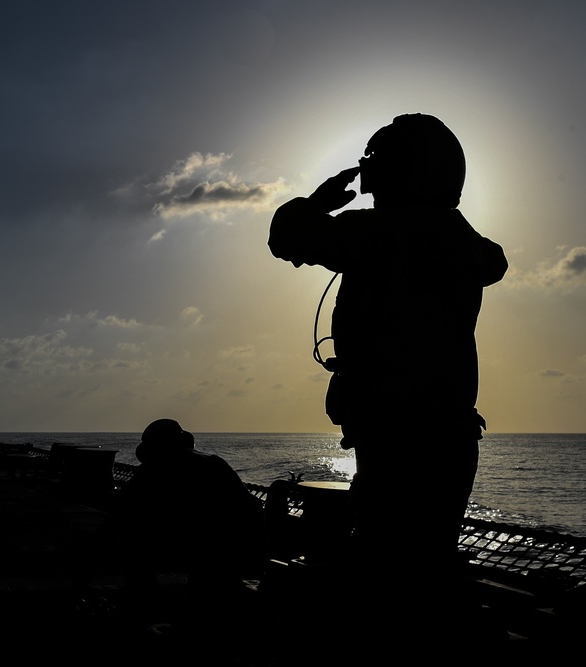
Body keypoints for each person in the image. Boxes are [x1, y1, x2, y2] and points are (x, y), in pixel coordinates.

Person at [268, 114, 508, 645]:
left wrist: (319, 202)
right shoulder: (464, 243)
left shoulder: (381, 232)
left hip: (393, 427)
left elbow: (287, 238)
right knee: (430, 557)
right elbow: (495, 260)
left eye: (375, 166)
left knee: (387, 564)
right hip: (452, 429)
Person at [80, 419, 264, 628]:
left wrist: (87, 564)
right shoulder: (215, 464)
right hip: (218, 550)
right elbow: (252, 508)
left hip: (171, 548)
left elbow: (114, 522)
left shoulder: (148, 473)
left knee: (132, 545)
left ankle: (140, 611)